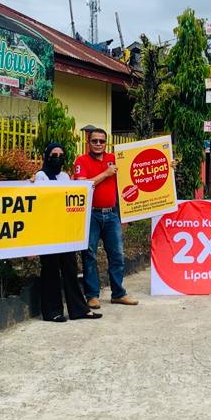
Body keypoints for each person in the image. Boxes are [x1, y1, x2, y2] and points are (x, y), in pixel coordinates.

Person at [34, 143, 101, 322]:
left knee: (70, 269)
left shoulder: (64, 176)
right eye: (54, 154)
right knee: (51, 270)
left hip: (65, 230)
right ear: (47, 156)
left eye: (61, 155)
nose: (58, 158)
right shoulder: (40, 176)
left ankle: (79, 309)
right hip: (48, 231)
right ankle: (52, 311)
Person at [73, 128, 138, 308]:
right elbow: (81, 185)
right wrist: (106, 174)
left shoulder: (114, 158)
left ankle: (118, 294)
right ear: (88, 142)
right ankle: (92, 295)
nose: (98, 144)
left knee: (117, 254)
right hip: (90, 214)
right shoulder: (81, 161)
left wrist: (167, 165)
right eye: (95, 141)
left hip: (111, 214)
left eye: (101, 141)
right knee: (90, 256)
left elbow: (138, 170)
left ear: (106, 143)